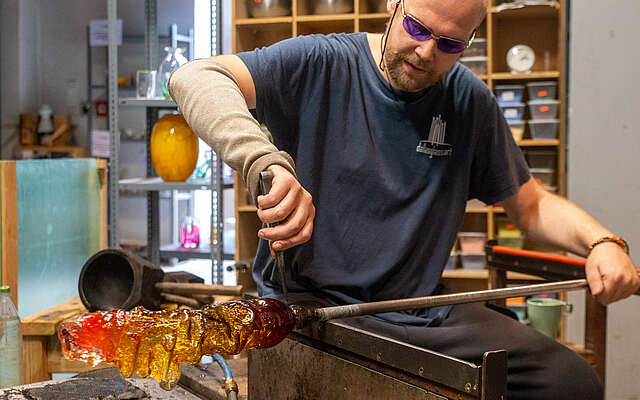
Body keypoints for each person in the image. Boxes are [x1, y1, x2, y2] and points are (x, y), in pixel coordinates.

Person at [168, 0, 639, 398]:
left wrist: (602, 242)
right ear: (395, 4)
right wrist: (263, 161)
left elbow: (531, 206)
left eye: (451, 44)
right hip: (318, 310)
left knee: (571, 382)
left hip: (421, 310)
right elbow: (195, 77)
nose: (426, 52)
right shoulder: (323, 63)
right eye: (418, 27)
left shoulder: (469, 102)